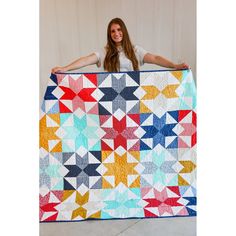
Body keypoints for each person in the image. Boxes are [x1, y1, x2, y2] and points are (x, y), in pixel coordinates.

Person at [51, 17, 189, 74]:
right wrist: (65, 68)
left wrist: (175, 66)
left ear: (124, 30)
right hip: (110, 98)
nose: (116, 33)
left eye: (119, 29)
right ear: (109, 34)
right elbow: (86, 60)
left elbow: (156, 58)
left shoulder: (136, 50)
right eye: (112, 31)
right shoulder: (104, 52)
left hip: (133, 96)